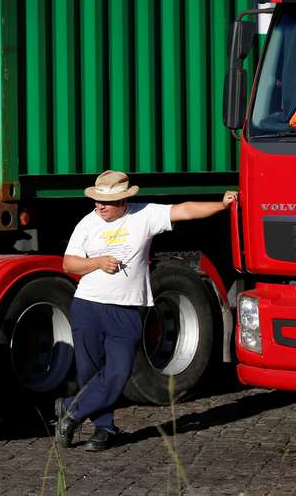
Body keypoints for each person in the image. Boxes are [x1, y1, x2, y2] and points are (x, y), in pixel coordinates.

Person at [56, 170, 237, 451]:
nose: (99, 206)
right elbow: (69, 264)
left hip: (126, 310)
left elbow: (184, 211)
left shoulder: (144, 216)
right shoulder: (87, 223)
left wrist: (221, 205)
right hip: (88, 307)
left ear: (124, 201)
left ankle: (72, 411)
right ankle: (104, 429)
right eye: (97, 200)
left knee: (118, 372)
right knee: (90, 374)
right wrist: (98, 262)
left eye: (107, 201)